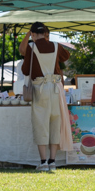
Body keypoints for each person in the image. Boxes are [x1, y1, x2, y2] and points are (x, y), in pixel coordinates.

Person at [21, 22, 71, 172]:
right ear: (46, 33)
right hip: (56, 88)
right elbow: (66, 56)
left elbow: (25, 70)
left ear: (34, 34)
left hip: (40, 88)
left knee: (40, 123)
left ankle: (43, 162)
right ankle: (52, 161)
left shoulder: (32, 47)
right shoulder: (56, 46)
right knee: (55, 122)